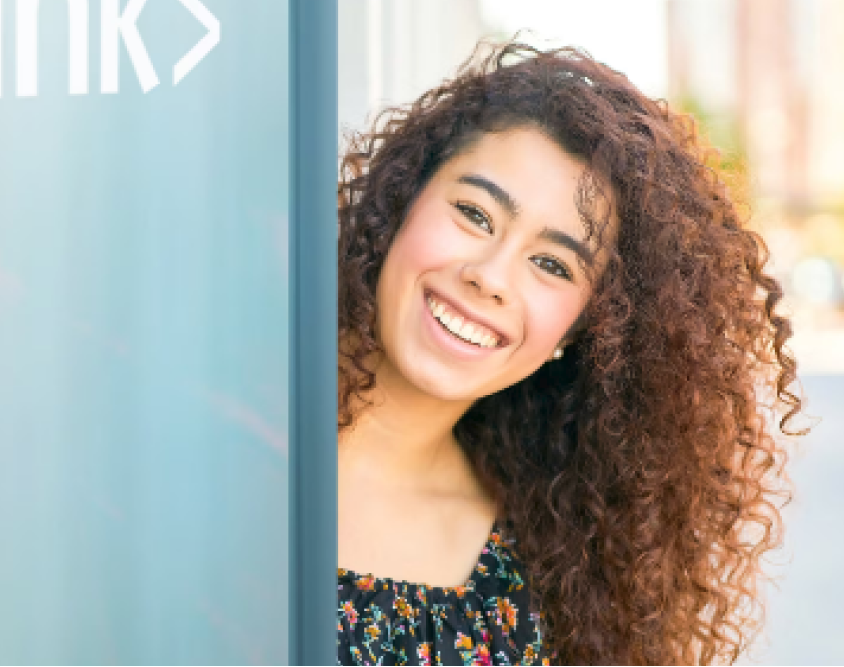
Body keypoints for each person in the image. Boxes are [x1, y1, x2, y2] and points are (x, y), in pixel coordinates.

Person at [337, 40, 805, 666]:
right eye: (475, 214)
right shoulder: (206, 421)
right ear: (402, 202)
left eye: (552, 264)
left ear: (585, 331)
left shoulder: (546, 576)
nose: (492, 276)